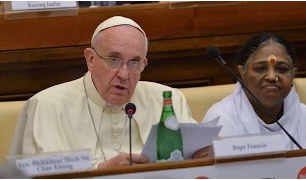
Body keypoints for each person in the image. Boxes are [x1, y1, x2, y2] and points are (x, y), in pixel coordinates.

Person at [9, 16, 197, 169]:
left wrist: (203, 152)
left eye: (134, 63)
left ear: (144, 65)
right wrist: (101, 170)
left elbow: (197, 156)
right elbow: (41, 173)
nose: (124, 74)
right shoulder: (47, 105)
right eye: (113, 60)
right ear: (90, 59)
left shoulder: (167, 98)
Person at [193, 32, 306, 159]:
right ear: (242, 73)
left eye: (281, 69)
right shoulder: (220, 120)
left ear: (293, 74)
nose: (272, 76)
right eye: (260, 68)